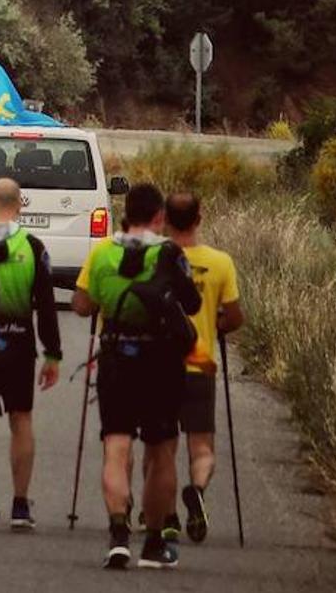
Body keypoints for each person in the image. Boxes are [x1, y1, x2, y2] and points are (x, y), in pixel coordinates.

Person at [73, 183, 201, 570]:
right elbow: (192, 303)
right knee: (161, 452)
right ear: (159, 216)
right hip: (161, 362)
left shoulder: (102, 253)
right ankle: (154, 543)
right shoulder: (170, 253)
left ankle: (117, 533)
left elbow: (81, 305)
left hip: (116, 357)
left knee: (117, 447)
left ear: (124, 211)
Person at [0, 177, 62, 532]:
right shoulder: (34, 246)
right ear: (20, 205)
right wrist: (52, 353)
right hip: (20, 343)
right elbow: (47, 306)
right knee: (21, 420)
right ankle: (20, 505)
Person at [163, 192, 244, 543]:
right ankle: (196, 490)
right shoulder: (220, 262)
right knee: (203, 447)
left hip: (161, 366)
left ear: (165, 218)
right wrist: (215, 325)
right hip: (200, 364)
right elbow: (236, 317)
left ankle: (166, 517)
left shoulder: (156, 259)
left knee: (162, 446)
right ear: (199, 218)